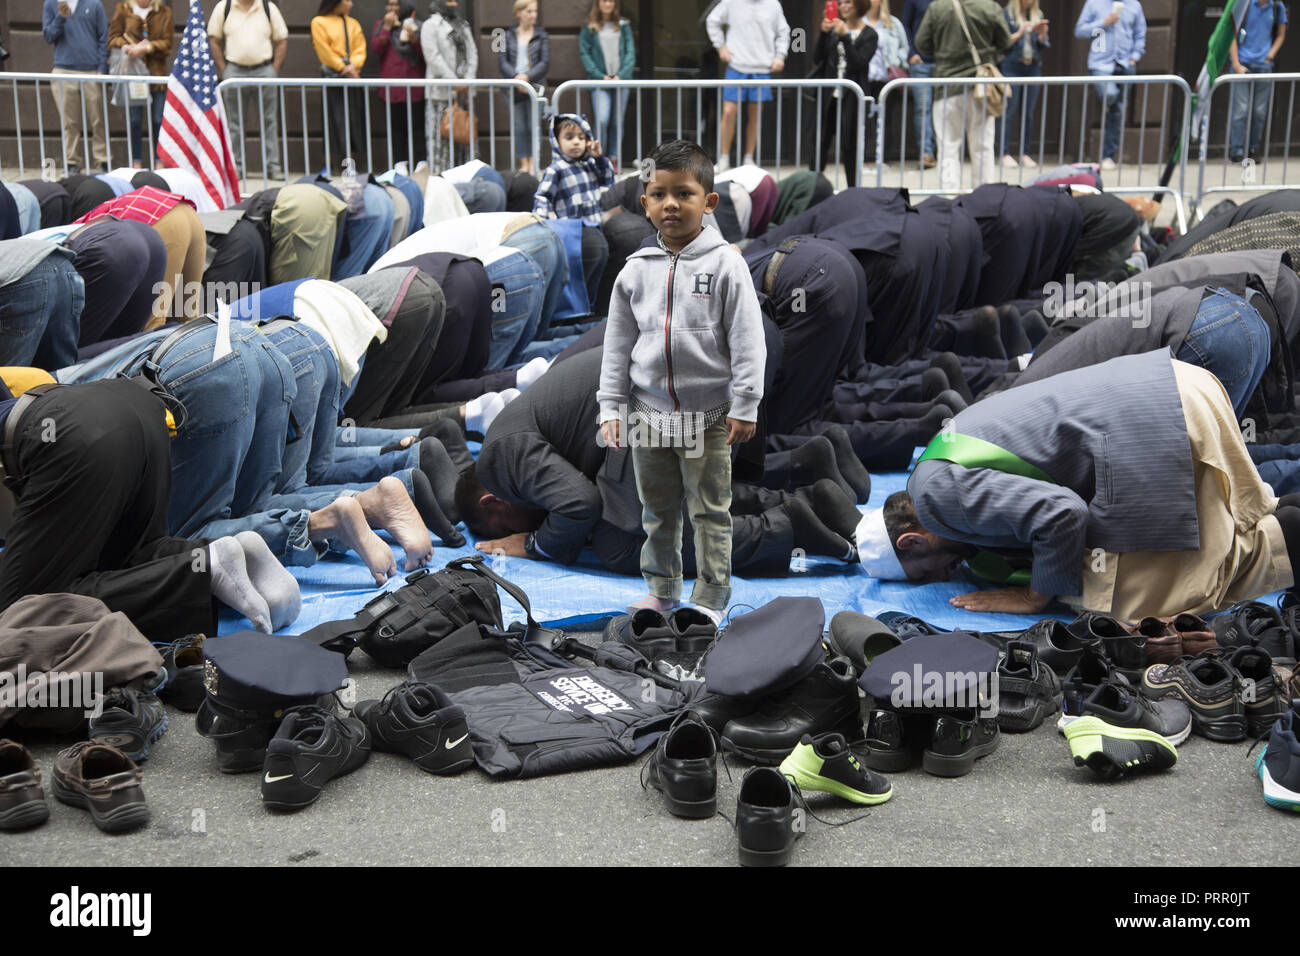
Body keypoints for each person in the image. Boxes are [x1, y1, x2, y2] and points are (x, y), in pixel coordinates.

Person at [858, 350, 1300, 622]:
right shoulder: (932, 463)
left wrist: (1033, 595)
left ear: (914, 541)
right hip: (1177, 386)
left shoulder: (937, 501)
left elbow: (1063, 513)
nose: (943, 575)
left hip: (1154, 423)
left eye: (927, 571)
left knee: (1138, 601)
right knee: (1222, 533)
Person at [597, 139, 766, 621]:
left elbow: (749, 338)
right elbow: (616, 346)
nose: (671, 204)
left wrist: (745, 403)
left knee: (710, 511)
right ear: (645, 202)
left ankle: (710, 600)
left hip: (708, 417)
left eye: (684, 194)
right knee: (658, 509)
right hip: (648, 415)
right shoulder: (634, 272)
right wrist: (612, 408)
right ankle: (664, 589)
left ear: (708, 202)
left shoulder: (726, 265)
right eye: (659, 194)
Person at [915, 0, 1013, 193]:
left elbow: (922, 43)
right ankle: (984, 199)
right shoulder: (989, 6)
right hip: (982, 87)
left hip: (947, 86)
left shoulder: (938, 7)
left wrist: (942, 52)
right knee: (982, 147)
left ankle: (949, 198)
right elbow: (1005, 42)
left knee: (948, 147)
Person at [706, 0, 791, 172]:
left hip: (762, 68)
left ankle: (748, 158)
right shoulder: (731, 2)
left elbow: (784, 32)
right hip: (737, 66)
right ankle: (724, 158)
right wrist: (720, 47)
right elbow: (712, 20)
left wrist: (780, 56)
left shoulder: (773, 4)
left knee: (755, 114)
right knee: (729, 111)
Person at [207, 0, 288, 180]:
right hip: (234, 70)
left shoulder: (268, 7)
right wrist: (224, 69)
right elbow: (213, 39)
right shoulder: (224, 7)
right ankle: (236, 168)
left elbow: (281, 40)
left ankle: (273, 167)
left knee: (270, 121)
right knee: (234, 123)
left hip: (264, 69)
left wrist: (274, 69)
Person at [810, 0, 877, 188]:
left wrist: (846, 37)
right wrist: (823, 34)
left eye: (849, 2)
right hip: (829, 96)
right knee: (820, 141)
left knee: (850, 145)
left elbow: (858, 63)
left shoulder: (870, 35)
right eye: (841, 3)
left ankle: (852, 190)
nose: (844, 6)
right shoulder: (833, 30)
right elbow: (817, 59)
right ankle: (813, 188)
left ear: (860, 6)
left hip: (852, 97)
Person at [1074, 0, 1146, 171]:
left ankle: (1108, 155)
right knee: (1111, 95)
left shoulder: (1134, 5)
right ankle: (1108, 104)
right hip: (1100, 64)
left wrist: (1135, 57)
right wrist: (1104, 23)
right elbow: (1080, 30)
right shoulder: (1094, 3)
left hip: (1125, 64)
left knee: (1119, 111)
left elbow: (1140, 34)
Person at [42, 0, 110, 175]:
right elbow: (48, 36)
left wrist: (102, 68)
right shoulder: (51, 4)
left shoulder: (94, 4)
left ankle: (102, 161)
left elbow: (103, 37)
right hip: (63, 70)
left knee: (97, 119)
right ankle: (72, 163)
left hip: (91, 71)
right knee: (70, 122)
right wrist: (60, 17)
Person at [107, 0, 173, 170]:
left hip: (156, 76)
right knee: (135, 120)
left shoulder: (164, 12)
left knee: (159, 120)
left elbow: (167, 44)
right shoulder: (123, 9)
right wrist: (129, 47)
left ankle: (160, 164)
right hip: (133, 75)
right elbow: (113, 39)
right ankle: (136, 163)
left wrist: (148, 47)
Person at [311, 0, 369, 172]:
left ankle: (351, 162)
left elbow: (360, 49)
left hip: (352, 77)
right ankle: (329, 164)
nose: (351, 4)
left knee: (354, 119)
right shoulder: (319, 22)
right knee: (333, 119)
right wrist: (343, 67)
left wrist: (353, 66)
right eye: (347, 0)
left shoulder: (353, 23)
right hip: (333, 77)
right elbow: (324, 50)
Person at [1227, 0, 1288, 163]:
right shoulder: (1244, 4)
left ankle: (1253, 149)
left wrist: (1269, 56)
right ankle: (1237, 150)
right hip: (1242, 63)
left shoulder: (1276, 6)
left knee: (1259, 111)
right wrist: (1236, 63)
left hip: (1263, 65)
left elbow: (1281, 34)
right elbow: (1230, 33)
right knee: (1241, 108)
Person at [422, 0, 477, 173]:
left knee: (464, 136)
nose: (454, 3)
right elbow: (433, 57)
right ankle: (441, 176)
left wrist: (467, 81)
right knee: (441, 139)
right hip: (441, 93)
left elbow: (472, 53)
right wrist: (454, 82)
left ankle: (465, 176)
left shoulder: (463, 25)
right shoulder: (430, 26)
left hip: (464, 94)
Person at [579, 0, 635, 170]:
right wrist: (599, 76)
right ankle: (598, 157)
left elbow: (630, 53)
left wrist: (622, 75)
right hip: (599, 82)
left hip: (620, 82)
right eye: (604, 0)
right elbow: (585, 53)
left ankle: (613, 158)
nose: (607, 4)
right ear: (598, 3)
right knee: (602, 119)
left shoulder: (624, 25)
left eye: (611, 0)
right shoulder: (589, 27)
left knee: (617, 122)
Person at [372, 0, 426, 168]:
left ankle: (420, 163)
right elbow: (376, 49)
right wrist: (387, 29)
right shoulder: (381, 25)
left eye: (396, 5)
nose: (393, 9)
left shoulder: (417, 25)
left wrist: (414, 40)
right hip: (392, 87)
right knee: (397, 129)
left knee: (418, 128)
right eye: (389, 5)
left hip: (414, 87)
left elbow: (425, 54)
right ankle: (400, 164)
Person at [533, 113, 615, 225]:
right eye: (569, 137)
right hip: (571, 228)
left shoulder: (590, 163)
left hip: (596, 223)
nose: (576, 142)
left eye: (581, 138)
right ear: (557, 142)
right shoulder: (556, 169)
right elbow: (543, 197)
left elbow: (608, 180)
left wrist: (599, 158)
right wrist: (542, 219)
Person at [499, 0, 550, 175]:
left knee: (534, 125)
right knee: (519, 126)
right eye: (529, 11)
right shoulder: (506, 35)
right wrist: (516, 78)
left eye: (535, 11)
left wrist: (527, 77)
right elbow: (502, 62)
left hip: (535, 86)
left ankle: (534, 163)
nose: (533, 15)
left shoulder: (541, 35)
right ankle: (524, 164)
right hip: (514, 87)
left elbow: (545, 62)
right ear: (519, 13)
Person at [997, 0, 1048, 168]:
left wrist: (1042, 34)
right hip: (1011, 66)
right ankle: (1004, 153)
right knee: (1008, 110)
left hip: (1032, 65)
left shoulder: (1037, 15)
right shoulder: (1006, 15)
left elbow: (1042, 45)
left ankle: (1024, 153)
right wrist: (1019, 32)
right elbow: (1001, 43)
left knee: (1029, 113)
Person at [864, 0, 910, 166]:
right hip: (864, 78)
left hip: (886, 79)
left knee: (885, 120)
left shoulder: (893, 23)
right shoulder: (859, 21)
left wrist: (897, 61)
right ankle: (861, 158)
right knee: (862, 119)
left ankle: (882, 159)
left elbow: (904, 48)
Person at [900, 0, 938, 168]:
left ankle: (943, 152)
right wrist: (911, 53)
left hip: (944, 63)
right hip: (920, 62)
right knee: (923, 108)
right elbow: (905, 27)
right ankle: (926, 153)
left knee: (944, 108)